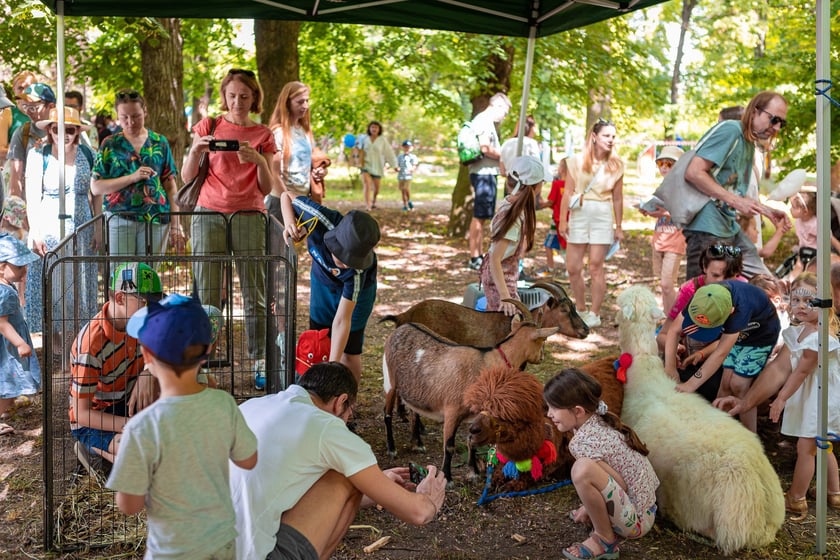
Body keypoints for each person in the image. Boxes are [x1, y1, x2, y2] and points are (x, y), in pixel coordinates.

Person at [230, 361, 446, 560]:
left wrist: (377, 486)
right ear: (341, 402)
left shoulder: (253, 406)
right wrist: (430, 499)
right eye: (349, 412)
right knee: (347, 476)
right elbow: (419, 513)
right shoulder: (325, 426)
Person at [106, 294, 258, 559]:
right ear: (207, 351)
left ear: (147, 355)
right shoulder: (224, 405)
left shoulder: (142, 427)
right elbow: (248, 460)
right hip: (221, 544)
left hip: (171, 551)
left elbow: (129, 504)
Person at [182, 69, 276, 389]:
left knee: (255, 294)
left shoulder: (263, 134)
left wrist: (258, 161)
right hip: (209, 213)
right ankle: (202, 360)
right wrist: (198, 149)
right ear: (224, 95)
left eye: (245, 96)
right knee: (207, 293)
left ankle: (260, 360)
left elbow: (266, 187)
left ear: (254, 98)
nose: (238, 102)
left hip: (249, 214)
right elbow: (186, 176)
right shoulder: (208, 125)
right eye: (232, 95)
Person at [544, 368, 659, 560]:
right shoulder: (597, 421)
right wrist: (588, 507)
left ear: (578, 411)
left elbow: (618, 485)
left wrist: (590, 507)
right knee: (586, 470)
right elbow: (609, 483)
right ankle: (600, 522)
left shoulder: (583, 442)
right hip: (646, 509)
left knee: (582, 469)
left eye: (554, 408)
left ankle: (605, 540)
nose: (549, 414)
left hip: (637, 522)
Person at [682, 91, 791, 280]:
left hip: (729, 228)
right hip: (707, 230)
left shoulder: (749, 144)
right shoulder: (731, 130)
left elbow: (733, 191)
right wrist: (735, 201)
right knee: (702, 300)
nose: (777, 128)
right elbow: (693, 172)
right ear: (755, 111)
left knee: (766, 284)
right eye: (773, 119)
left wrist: (766, 210)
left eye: (782, 122)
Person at [69, 262, 163, 471]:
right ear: (120, 298)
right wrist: (132, 426)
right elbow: (82, 414)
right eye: (146, 302)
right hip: (95, 420)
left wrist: (148, 372)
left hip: (128, 402)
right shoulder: (91, 343)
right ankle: (92, 449)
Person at [280, 192, 379, 385]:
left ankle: (345, 404)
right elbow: (285, 196)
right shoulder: (319, 217)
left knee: (348, 354)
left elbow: (343, 320)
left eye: (352, 262)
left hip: (358, 296)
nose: (345, 266)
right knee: (319, 341)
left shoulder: (358, 272)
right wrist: (290, 222)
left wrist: (332, 371)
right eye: (342, 259)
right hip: (322, 284)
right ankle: (317, 395)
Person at [761, 273, 840, 514]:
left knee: (806, 448)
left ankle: (796, 497)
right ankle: (834, 493)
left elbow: (801, 372)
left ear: (823, 302)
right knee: (821, 445)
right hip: (810, 393)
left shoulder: (820, 336)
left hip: (819, 397)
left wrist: (781, 399)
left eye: (809, 301)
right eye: (796, 300)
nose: (801, 306)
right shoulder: (803, 329)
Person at [24, 106, 100, 334]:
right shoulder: (39, 155)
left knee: (80, 280)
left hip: (82, 224)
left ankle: (79, 334)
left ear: (77, 131)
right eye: (58, 129)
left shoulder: (88, 154)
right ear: (50, 129)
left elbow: (96, 194)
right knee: (53, 279)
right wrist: (35, 231)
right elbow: (32, 196)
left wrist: (97, 226)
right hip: (48, 223)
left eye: (70, 129)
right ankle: (54, 336)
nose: (64, 134)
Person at [679, 281, 781, 432]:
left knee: (739, 385)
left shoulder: (741, 309)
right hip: (740, 335)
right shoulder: (704, 297)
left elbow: (721, 353)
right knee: (725, 384)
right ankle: (717, 431)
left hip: (761, 337)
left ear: (730, 311)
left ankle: (750, 437)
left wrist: (690, 384)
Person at [91, 89, 182, 256]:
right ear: (117, 115)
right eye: (124, 117)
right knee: (122, 276)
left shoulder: (159, 142)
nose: (130, 122)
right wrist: (132, 177)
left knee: (148, 276)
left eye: (136, 116)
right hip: (120, 217)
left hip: (156, 218)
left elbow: (170, 186)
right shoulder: (110, 144)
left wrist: (176, 223)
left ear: (145, 112)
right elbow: (96, 187)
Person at [558, 119, 624, 329]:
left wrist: (619, 225)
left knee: (596, 266)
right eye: (606, 135)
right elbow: (567, 191)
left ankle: (594, 313)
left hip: (602, 215)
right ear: (594, 137)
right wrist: (562, 219)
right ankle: (580, 308)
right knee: (573, 267)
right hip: (579, 214)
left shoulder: (617, 164)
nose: (611, 140)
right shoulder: (576, 161)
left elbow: (618, 198)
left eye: (613, 136)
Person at [661, 243, 746, 402]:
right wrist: (671, 364)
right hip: (689, 356)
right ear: (704, 268)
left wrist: (701, 354)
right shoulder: (690, 290)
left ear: (737, 275)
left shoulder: (742, 293)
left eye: (728, 277)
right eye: (715, 275)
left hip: (720, 359)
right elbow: (665, 334)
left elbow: (727, 344)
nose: (721, 282)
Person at [478, 156, 543, 315]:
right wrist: (505, 297)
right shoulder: (513, 218)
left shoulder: (511, 204)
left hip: (501, 278)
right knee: (506, 325)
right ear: (535, 187)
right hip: (500, 281)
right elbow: (495, 258)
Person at [0, 233, 40, 436]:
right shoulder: (4, 292)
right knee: (8, 388)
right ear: (1, 267)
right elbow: (2, 324)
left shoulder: (6, 287)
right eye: (19, 266)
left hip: (8, 344)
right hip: (8, 346)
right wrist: (20, 343)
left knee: (8, 385)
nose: (24, 269)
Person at [467, 92, 511, 271]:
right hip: (483, 173)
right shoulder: (484, 121)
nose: (504, 116)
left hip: (487, 173)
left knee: (483, 216)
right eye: (505, 112)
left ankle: (477, 254)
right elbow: (485, 148)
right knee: (479, 216)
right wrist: (507, 154)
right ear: (497, 106)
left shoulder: (486, 121)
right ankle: (474, 257)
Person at [641, 145, 685, 314]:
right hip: (660, 239)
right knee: (663, 284)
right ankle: (668, 318)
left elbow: (685, 213)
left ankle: (673, 319)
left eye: (669, 164)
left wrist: (665, 212)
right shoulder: (662, 187)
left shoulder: (683, 188)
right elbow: (661, 214)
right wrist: (649, 211)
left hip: (675, 240)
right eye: (661, 163)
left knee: (667, 284)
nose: (664, 168)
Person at [266, 81, 314, 221]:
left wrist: (318, 172)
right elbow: (273, 173)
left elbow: (309, 163)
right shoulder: (278, 133)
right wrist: (289, 203)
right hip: (281, 202)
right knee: (279, 243)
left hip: (302, 200)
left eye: (307, 101)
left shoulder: (305, 131)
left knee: (296, 243)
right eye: (300, 102)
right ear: (287, 103)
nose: (305, 106)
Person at [7, 83, 56, 201]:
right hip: (32, 202)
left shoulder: (69, 131)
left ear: (51, 106)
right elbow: (15, 180)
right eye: (25, 107)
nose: (28, 112)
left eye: (33, 108)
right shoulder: (22, 133)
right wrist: (18, 210)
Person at [359, 120, 397, 211]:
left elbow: (389, 153)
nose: (374, 129)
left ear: (379, 129)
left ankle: (373, 202)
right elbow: (358, 150)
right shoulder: (364, 139)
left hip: (378, 167)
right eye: (372, 127)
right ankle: (367, 205)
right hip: (366, 165)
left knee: (376, 189)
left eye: (376, 127)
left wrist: (394, 165)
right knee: (367, 184)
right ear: (369, 129)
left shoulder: (382, 140)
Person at [396, 139, 419, 212]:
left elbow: (414, 165)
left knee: (406, 189)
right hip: (401, 176)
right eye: (405, 147)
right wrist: (397, 168)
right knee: (402, 190)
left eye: (408, 147)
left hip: (408, 176)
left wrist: (412, 169)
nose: (407, 148)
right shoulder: (399, 157)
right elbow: (396, 165)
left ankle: (409, 201)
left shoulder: (413, 157)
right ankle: (405, 205)